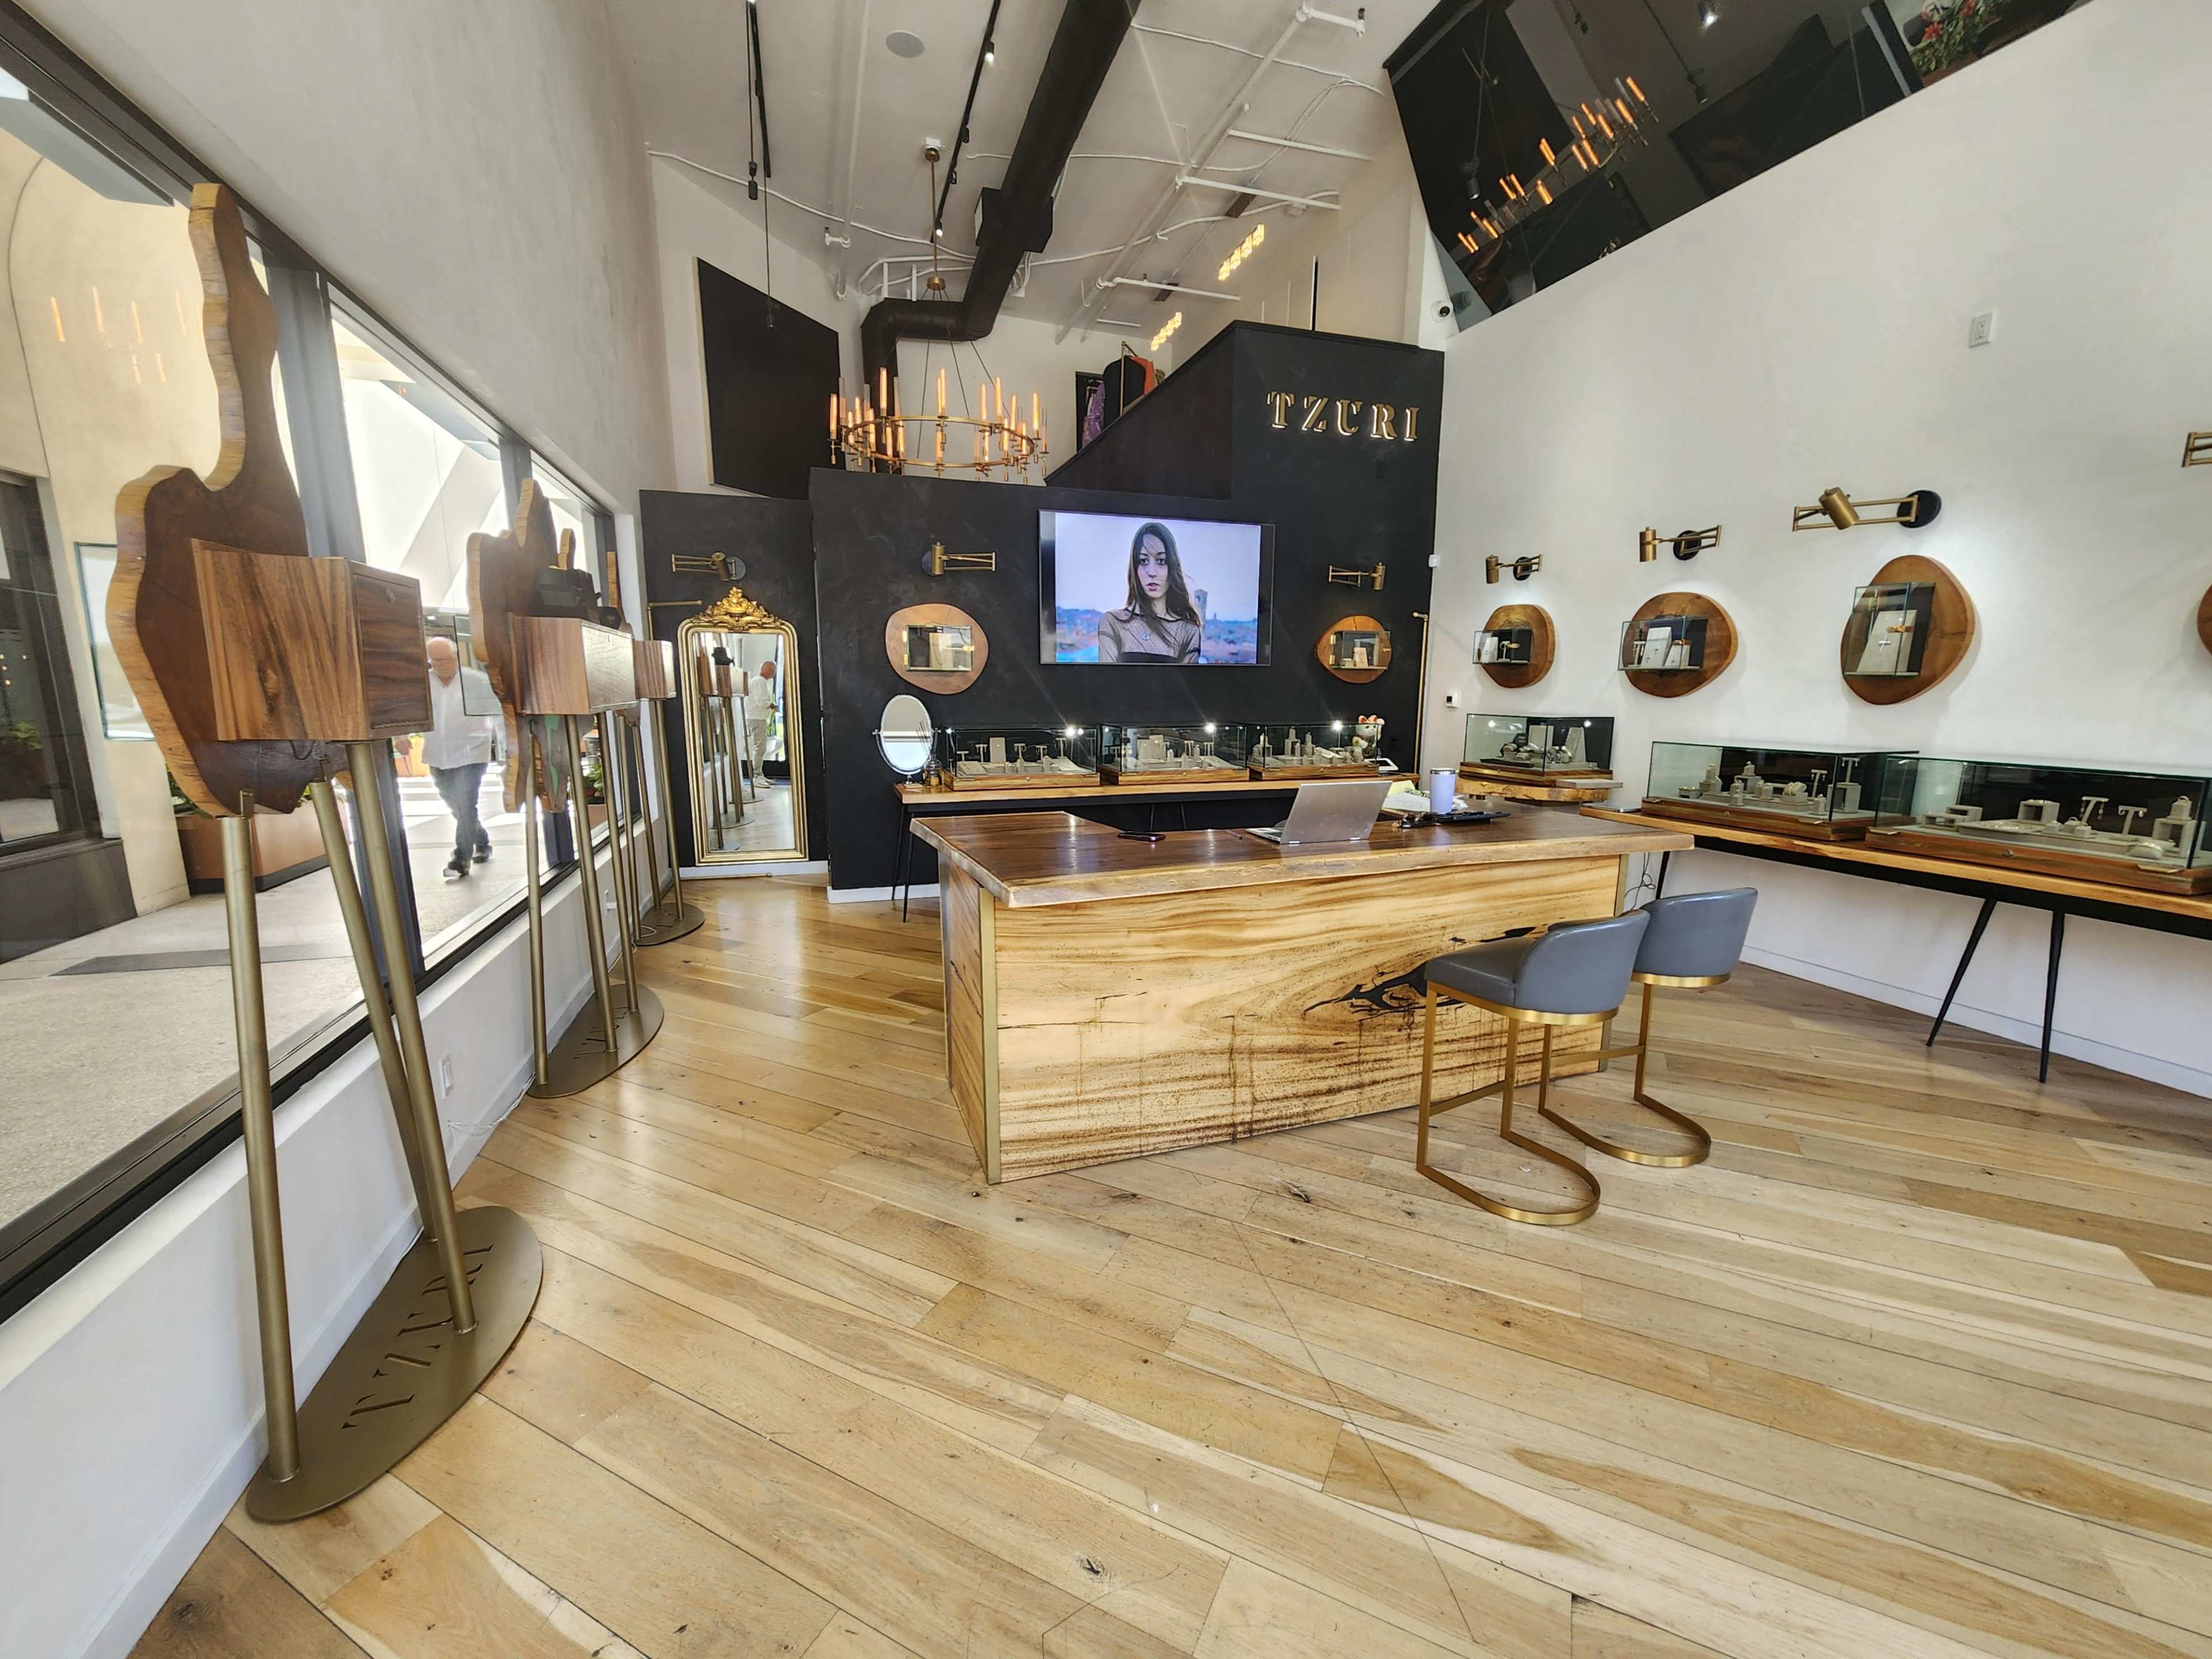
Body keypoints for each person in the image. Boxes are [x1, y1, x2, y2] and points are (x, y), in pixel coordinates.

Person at [422, 635, 499, 879]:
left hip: (472, 751)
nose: (442, 665)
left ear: (456, 657)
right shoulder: (423, 683)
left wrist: (509, 745)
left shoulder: (475, 681)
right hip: (438, 753)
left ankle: (460, 859)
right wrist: (402, 737)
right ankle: (483, 842)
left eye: (446, 659)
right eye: (436, 661)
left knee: (466, 804)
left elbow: (496, 713)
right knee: (456, 806)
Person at [1095, 521, 1202, 664]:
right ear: (1135, 567)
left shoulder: (1187, 631)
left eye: (1161, 561)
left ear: (1172, 566)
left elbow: (1186, 686)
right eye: (1144, 561)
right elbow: (1106, 683)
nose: (1152, 572)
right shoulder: (1113, 623)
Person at [740, 655, 778, 791]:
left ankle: (759, 774)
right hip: (757, 718)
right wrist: (772, 704)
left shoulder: (758, 681)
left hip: (757, 718)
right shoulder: (760, 682)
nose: (774, 673)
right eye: (773, 670)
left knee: (760, 747)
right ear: (768, 670)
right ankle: (757, 775)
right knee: (760, 748)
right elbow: (761, 701)